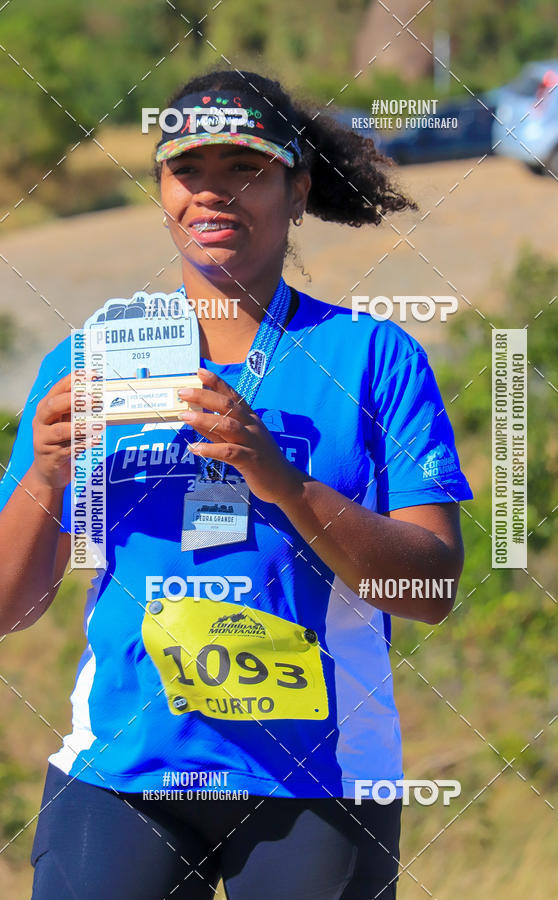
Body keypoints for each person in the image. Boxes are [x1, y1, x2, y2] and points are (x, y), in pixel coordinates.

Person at [0, 69, 473, 899]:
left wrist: (280, 478)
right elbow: (7, 607)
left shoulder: (375, 357)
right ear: (161, 190)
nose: (212, 196)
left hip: (322, 780)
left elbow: (429, 586)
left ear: (298, 190)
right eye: (190, 173)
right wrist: (44, 471)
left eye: (245, 171)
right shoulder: (92, 363)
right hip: (124, 769)